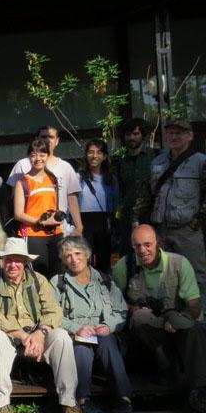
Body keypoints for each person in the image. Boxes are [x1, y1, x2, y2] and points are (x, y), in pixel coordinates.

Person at [0, 237, 84, 413]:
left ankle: (69, 401)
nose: (13, 265)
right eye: (8, 260)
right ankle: (1, 403)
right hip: (8, 335)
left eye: (17, 260)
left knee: (61, 337)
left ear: (26, 262)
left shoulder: (38, 280)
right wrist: (23, 336)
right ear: (2, 261)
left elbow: (54, 311)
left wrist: (40, 334)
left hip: (37, 333)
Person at [112, 224, 206, 413]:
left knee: (196, 328)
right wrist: (133, 308)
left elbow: (194, 304)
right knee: (140, 317)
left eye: (147, 244)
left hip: (177, 322)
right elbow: (114, 301)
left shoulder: (179, 263)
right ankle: (167, 368)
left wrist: (178, 318)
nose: (142, 250)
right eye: (137, 245)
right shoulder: (124, 266)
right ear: (132, 246)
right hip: (146, 331)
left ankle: (199, 391)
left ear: (157, 243)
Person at [51, 236, 132, 413]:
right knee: (81, 347)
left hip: (103, 335)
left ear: (87, 255)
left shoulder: (105, 280)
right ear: (63, 260)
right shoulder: (58, 282)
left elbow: (121, 311)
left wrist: (109, 326)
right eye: (68, 256)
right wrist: (76, 328)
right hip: (76, 337)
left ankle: (123, 399)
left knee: (108, 341)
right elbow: (52, 315)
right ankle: (83, 400)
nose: (74, 259)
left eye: (78, 253)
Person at [136, 117, 206, 299]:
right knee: (165, 276)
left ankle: (200, 313)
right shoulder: (157, 162)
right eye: (170, 133)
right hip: (160, 231)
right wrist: (138, 220)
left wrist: (198, 221)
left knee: (197, 275)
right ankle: (170, 312)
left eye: (179, 133)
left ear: (190, 136)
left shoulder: (201, 162)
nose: (174, 137)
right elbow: (147, 194)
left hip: (188, 231)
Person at [9, 124, 83, 239]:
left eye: (51, 137)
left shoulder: (65, 167)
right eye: (43, 137)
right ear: (37, 139)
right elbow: (14, 198)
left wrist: (79, 227)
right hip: (31, 229)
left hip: (60, 228)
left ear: (57, 141)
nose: (47, 140)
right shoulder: (22, 164)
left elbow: (72, 199)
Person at [12, 139, 67, 277]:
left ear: (48, 156)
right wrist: (41, 222)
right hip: (33, 234)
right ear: (29, 157)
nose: (38, 159)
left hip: (55, 233)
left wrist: (56, 218)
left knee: (57, 275)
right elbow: (18, 214)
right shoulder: (22, 182)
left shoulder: (52, 179)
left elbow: (54, 206)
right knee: (38, 276)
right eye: (33, 155)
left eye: (42, 155)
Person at [112, 117, 155, 256]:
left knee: (152, 256)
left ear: (142, 134)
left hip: (151, 216)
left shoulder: (155, 157)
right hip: (127, 218)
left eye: (136, 134)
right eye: (128, 134)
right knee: (128, 258)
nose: (132, 138)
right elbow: (120, 191)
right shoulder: (120, 161)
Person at [78, 139, 120, 272]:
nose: (94, 156)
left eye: (99, 152)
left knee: (104, 262)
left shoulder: (111, 179)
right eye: (90, 152)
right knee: (84, 260)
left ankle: (104, 284)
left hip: (104, 222)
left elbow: (116, 202)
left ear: (104, 156)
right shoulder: (78, 177)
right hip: (84, 222)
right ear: (86, 155)